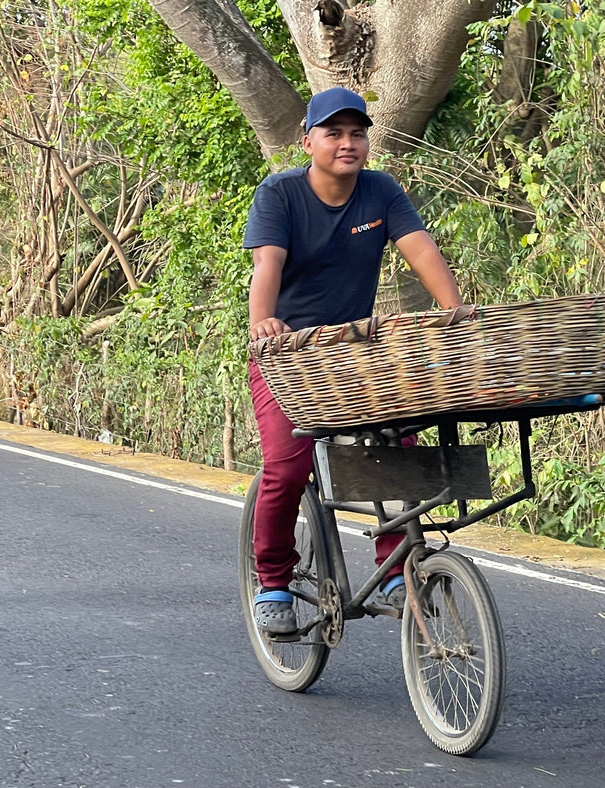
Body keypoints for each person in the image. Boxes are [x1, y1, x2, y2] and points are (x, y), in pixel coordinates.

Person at [244, 87, 464, 634]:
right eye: (334, 133)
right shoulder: (281, 193)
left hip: (353, 351)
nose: (348, 143)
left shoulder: (381, 192)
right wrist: (263, 322)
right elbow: (266, 263)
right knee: (287, 466)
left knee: (398, 441)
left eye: (357, 133)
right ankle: (272, 581)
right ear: (308, 141)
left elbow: (420, 251)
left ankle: (394, 567)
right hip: (286, 352)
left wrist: (459, 313)